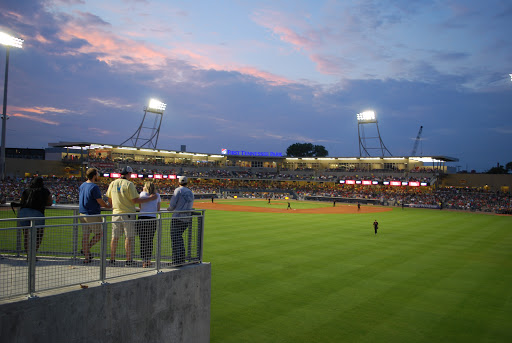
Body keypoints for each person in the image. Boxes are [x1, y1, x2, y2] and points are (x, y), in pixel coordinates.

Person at [106, 166, 156, 266]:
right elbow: (135, 200)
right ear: (128, 173)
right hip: (128, 214)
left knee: (114, 237)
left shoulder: (113, 183)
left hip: (115, 213)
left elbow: (109, 198)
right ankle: (128, 260)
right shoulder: (129, 184)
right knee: (128, 237)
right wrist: (150, 199)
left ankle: (112, 259)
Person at [79, 168, 111, 264]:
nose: (98, 176)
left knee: (85, 236)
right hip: (92, 214)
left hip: (82, 213)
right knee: (99, 234)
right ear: (94, 176)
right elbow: (100, 201)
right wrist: (107, 206)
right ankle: (86, 250)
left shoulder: (83, 185)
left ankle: (86, 256)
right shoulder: (94, 187)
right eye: (97, 174)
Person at [17, 177, 52, 258]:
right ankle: (33, 254)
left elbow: (22, 201)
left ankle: (29, 255)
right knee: (39, 235)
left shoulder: (26, 190)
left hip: (24, 213)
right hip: (37, 213)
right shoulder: (45, 191)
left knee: (26, 236)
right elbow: (49, 203)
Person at [168, 176, 194, 266]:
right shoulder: (190, 192)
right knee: (179, 238)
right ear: (187, 182)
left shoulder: (178, 190)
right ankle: (181, 259)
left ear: (178, 182)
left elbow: (172, 205)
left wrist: (168, 209)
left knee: (175, 239)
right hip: (187, 219)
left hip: (177, 218)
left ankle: (176, 261)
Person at [137, 181, 161, 268]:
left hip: (142, 218)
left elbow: (140, 207)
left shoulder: (142, 194)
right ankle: (148, 260)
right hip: (152, 219)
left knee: (143, 241)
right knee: (150, 240)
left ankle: (144, 261)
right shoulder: (157, 195)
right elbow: (158, 209)